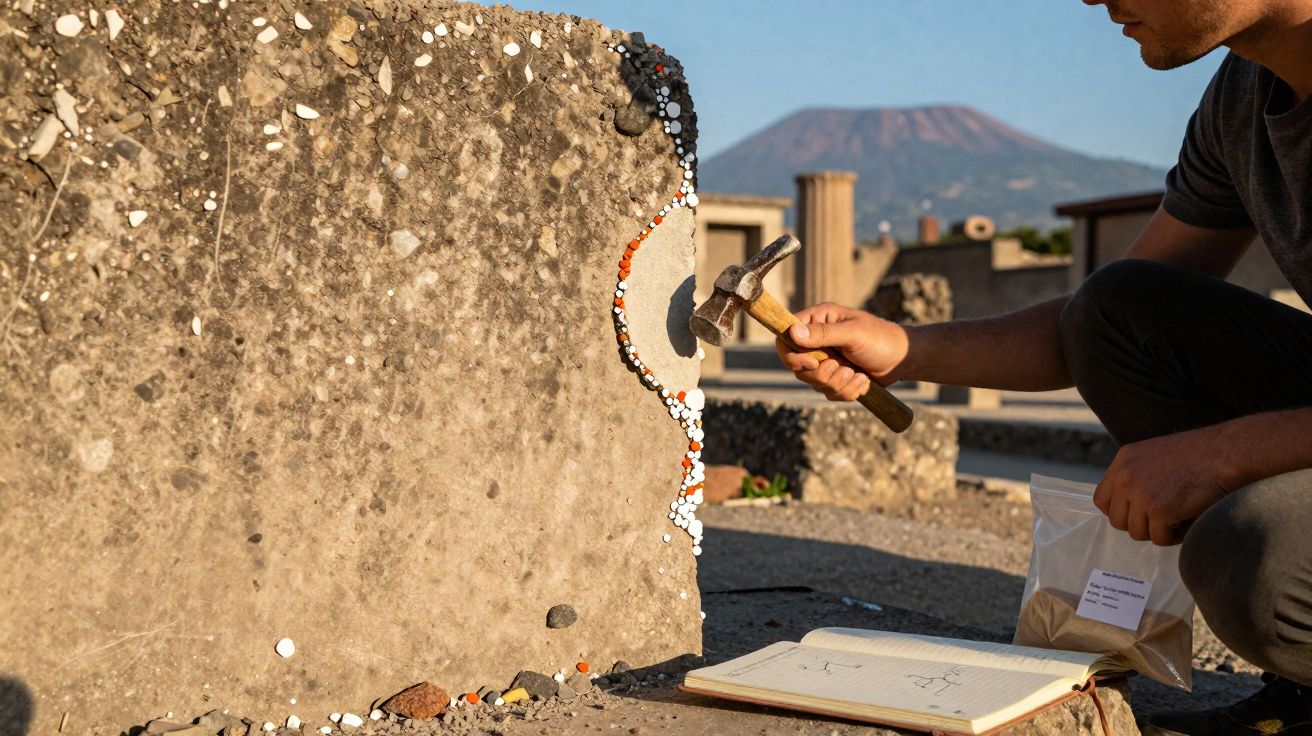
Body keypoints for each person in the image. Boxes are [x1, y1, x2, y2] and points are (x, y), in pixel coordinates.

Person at [775, 2, 1312, 734]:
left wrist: (1222, 456)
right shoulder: (1243, 96)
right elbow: (1091, 323)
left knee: (1259, 564)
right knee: (1117, 307)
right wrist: (906, 349)